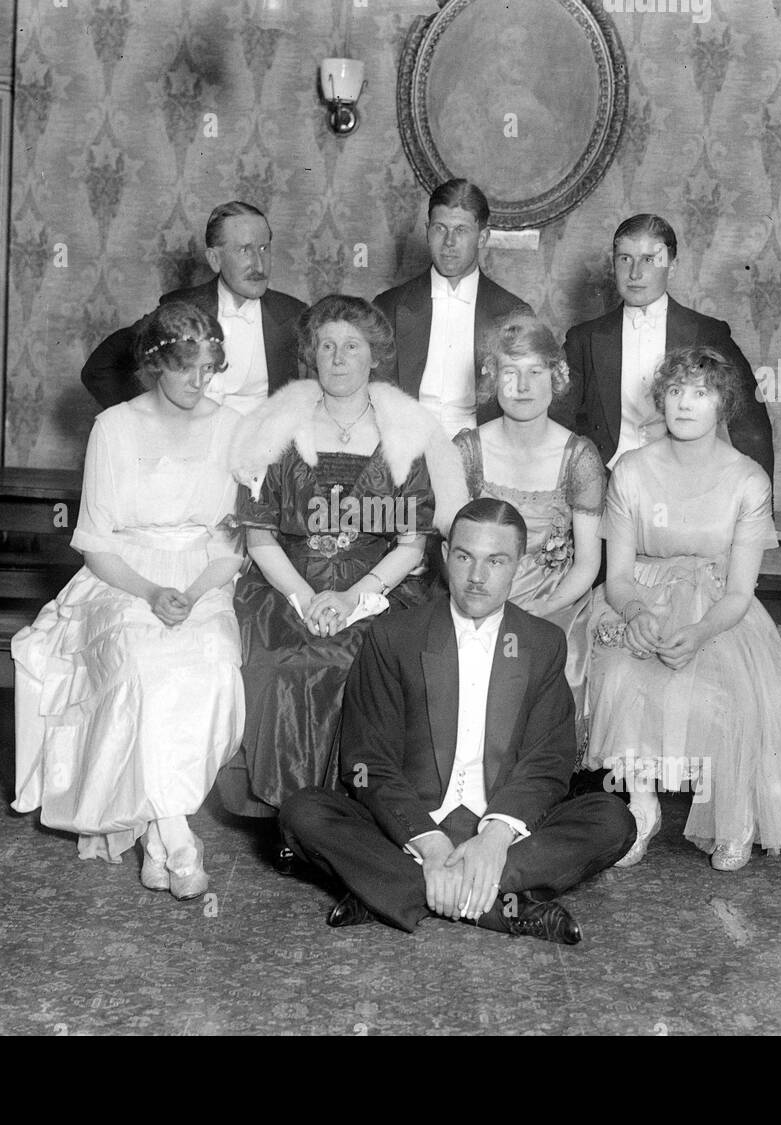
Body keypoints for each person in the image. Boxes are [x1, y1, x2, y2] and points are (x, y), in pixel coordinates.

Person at [279, 499, 637, 945]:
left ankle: (390, 890)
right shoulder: (395, 636)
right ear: (445, 555)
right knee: (303, 811)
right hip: (409, 826)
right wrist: (429, 845)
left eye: (496, 561)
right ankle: (498, 907)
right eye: (465, 557)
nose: (477, 576)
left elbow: (547, 762)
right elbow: (367, 761)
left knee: (613, 818)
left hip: (502, 834)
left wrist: (495, 839)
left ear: (518, 565)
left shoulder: (542, 643)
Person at [218, 295, 469, 865]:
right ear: (310, 353)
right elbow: (259, 537)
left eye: (351, 346)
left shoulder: (404, 433)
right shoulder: (277, 429)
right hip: (288, 583)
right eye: (326, 345)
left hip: (377, 586)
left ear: (373, 355)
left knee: (364, 666)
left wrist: (354, 598)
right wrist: (308, 600)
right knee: (288, 668)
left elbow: (411, 544)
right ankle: (292, 821)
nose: (338, 357)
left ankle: (357, 819)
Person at [13, 302, 245, 900]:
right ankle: (177, 838)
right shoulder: (114, 426)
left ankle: (156, 833)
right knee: (142, 669)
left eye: (209, 368)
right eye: (186, 368)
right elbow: (95, 542)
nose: (200, 382)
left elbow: (230, 542)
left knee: (214, 664)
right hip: (121, 576)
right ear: (154, 366)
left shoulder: (230, 427)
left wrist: (192, 593)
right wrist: (150, 591)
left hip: (206, 577)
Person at [583, 346, 781, 871]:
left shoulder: (748, 480)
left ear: (723, 404)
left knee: (735, 693)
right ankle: (642, 811)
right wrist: (634, 614)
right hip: (641, 600)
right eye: (674, 391)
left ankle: (733, 819)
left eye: (701, 392)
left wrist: (696, 633)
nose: (685, 404)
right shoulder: (630, 470)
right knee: (621, 675)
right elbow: (618, 577)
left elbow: (740, 593)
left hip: (718, 610)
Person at [454, 314, 604, 743]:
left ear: (555, 378)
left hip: (553, 602)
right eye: (509, 372)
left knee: (538, 663)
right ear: (491, 379)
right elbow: (455, 552)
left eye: (535, 372)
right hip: (475, 591)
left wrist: (543, 610)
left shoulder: (580, 457)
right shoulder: (466, 450)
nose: (522, 387)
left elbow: (588, 564)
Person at [563, 213, 774, 482]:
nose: (635, 272)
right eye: (625, 258)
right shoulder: (584, 338)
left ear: (671, 267)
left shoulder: (707, 333)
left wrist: (758, 515)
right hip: (606, 487)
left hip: (683, 486)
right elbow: (557, 425)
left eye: (649, 260)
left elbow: (751, 428)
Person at [81, 201, 306, 411]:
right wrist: (147, 417)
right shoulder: (181, 309)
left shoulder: (293, 314)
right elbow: (100, 369)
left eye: (264, 249)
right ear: (214, 260)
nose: (258, 264)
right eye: (244, 250)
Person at [373, 179, 532, 436]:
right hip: (405, 448)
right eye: (440, 228)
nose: (449, 241)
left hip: (481, 452)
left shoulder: (512, 313)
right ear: (427, 231)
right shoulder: (389, 305)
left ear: (482, 237)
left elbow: (523, 404)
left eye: (461, 230)